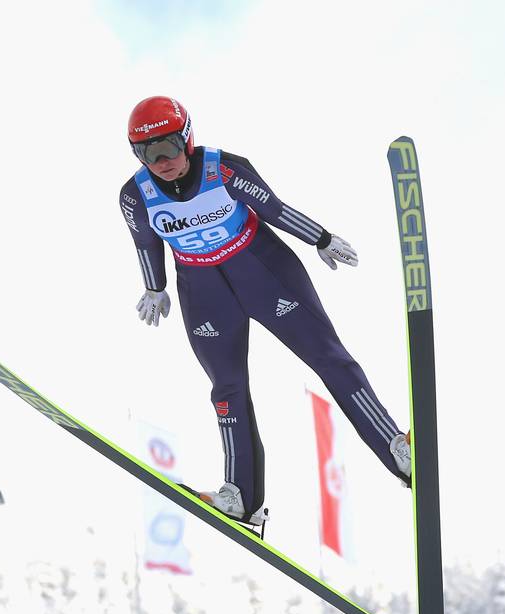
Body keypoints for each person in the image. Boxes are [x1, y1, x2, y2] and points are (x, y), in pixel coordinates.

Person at [118, 95, 410, 525]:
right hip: (203, 293)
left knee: (328, 357)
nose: (161, 161)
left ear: (187, 139)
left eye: (168, 148)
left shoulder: (224, 167)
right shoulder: (134, 195)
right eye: (148, 153)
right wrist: (154, 287)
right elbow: (145, 242)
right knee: (227, 389)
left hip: (262, 270)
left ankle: (397, 451)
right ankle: (241, 496)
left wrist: (320, 238)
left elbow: (273, 208)